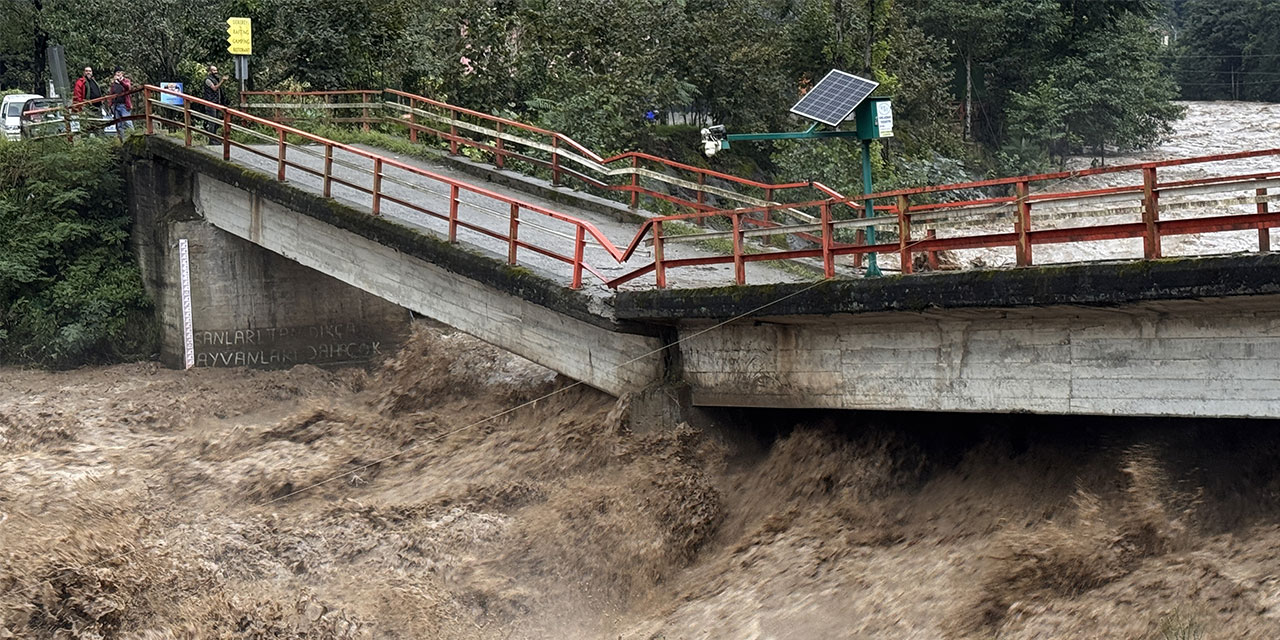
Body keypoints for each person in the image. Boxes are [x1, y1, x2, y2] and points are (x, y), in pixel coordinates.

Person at [108, 67, 133, 138]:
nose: (118, 74)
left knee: (128, 122)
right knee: (119, 125)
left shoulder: (126, 81)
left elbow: (127, 87)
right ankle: (123, 140)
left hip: (124, 105)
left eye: (120, 72)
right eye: (117, 72)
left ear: (122, 73)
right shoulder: (113, 84)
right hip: (116, 105)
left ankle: (133, 135)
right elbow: (111, 94)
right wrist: (110, 105)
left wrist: (120, 81)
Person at [202, 65, 224, 137]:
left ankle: (215, 137)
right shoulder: (208, 80)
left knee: (217, 121)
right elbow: (214, 88)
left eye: (216, 70)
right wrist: (222, 81)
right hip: (210, 103)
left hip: (216, 102)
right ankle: (211, 138)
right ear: (209, 71)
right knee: (212, 121)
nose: (216, 72)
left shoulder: (215, 79)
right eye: (214, 70)